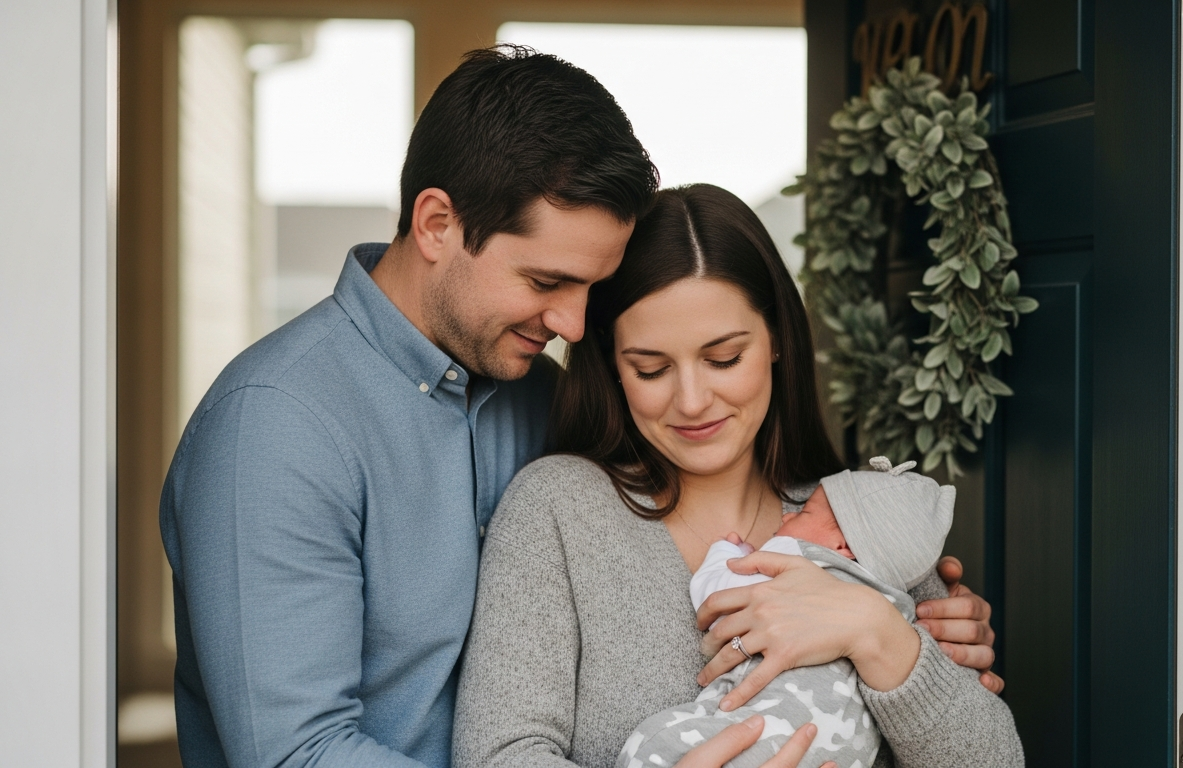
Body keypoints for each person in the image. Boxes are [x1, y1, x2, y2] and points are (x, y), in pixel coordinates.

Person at [161, 46, 999, 768]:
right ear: (437, 223)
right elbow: (293, 755)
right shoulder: (274, 428)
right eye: (547, 282)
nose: (571, 327)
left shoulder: (535, 389)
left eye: (591, 291)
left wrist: (891, 629)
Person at [452, 184, 1023, 768]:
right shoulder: (558, 512)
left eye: (724, 358)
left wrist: (874, 629)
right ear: (612, 364)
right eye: (650, 369)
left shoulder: (858, 519)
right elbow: (498, 755)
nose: (693, 401)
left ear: (775, 338)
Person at [620, 456, 958, 768]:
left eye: (805, 513)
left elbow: (718, 601)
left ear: (843, 548)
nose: (787, 515)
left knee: (649, 745)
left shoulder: (796, 555)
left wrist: (727, 553)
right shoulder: (902, 606)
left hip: (764, 731)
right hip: (842, 753)